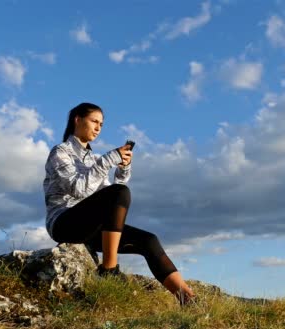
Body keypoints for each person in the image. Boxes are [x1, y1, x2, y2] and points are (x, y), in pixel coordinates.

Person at [43, 102, 195, 305]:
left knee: (149, 240)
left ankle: (187, 299)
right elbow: (78, 189)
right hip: (64, 223)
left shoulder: (93, 159)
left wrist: (123, 168)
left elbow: (115, 193)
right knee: (119, 193)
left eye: (101, 124)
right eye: (94, 121)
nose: (98, 128)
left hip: (91, 227)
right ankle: (109, 269)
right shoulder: (60, 153)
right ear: (77, 120)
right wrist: (108, 159)